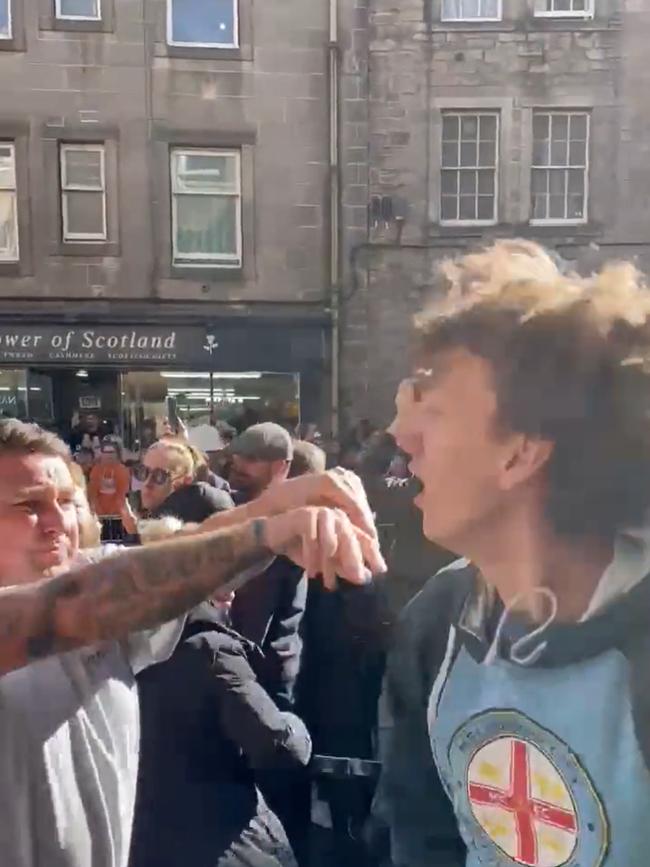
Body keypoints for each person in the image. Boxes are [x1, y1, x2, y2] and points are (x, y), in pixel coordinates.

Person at [0, 418, 384, 867]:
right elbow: (83, 603)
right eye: (28, 506)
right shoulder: (88, 599)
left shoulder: (97, 576)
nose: (57, 522)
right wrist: (267, 531)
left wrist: (281, 505)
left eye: (66, 500)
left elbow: (183, 548)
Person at [376, 239, 650, 867]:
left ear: (521, 452)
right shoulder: (437, 619)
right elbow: (420, 836)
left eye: (436, 410)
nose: (400, 436)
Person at [130, 594, 312, 867]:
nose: (232, 590)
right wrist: (295, 725)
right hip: (223, 841)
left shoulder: (120, 649)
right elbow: (280, 745)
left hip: (148, 844)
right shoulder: (209, 648)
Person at [124, 439, 233, 529]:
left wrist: (138, 534)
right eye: (143, 472)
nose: (147, 483)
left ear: (186, 480)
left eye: (160, 476)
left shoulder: (190, 508)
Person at [229, 422, 294, 505]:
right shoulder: (222, 505)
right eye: (237, 456)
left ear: (279, 467)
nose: (238, 465)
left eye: (250, 458)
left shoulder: (292, 512)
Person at [88, 437, 131, 541]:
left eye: (111, 452)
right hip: (100, 516)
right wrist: (97, 510)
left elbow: (122, 493)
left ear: (117, 454)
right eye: (105, 452)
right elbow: (93, 492)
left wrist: (115, 511)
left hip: (118, 516)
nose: (108, 455)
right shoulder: (96, 470)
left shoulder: (123, 470)